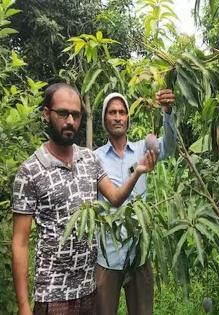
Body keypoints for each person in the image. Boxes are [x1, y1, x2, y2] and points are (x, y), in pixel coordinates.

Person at [11, 83, 157, 315]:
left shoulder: (89, 160)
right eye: (62, 113)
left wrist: (138, 171)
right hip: (53, 294)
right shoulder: (30, 170)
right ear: (46, 114)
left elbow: (116, 198)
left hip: (88, 289)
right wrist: (24, 306)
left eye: (76, 115)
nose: (70, 120)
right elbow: (20, 243)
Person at [94, 89, 176, 315]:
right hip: (108, 255)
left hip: (139, 253)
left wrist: (167, 111)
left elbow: (169, 146)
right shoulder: (95, 158)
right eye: (112, 112)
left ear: (128, 118)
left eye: (122, 112)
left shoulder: (142, 149)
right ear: (104, 119)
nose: (118, 117)